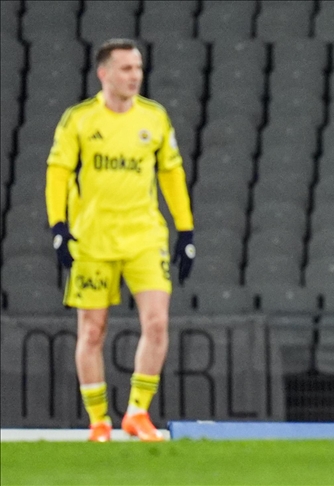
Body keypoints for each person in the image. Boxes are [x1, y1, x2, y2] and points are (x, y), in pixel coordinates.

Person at [44, 39, 195, 442]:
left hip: (144, 236)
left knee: (157, 323)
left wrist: (185, 230)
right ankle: (98, 421)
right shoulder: (79, 119)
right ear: (104, 73)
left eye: (138, 68)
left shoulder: (154, 117)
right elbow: (58, 172)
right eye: (126, 68)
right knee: (92, 331)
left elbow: (171, 174)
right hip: (93, 239)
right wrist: (58, 226)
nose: (135, 76)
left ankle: (137, 413)